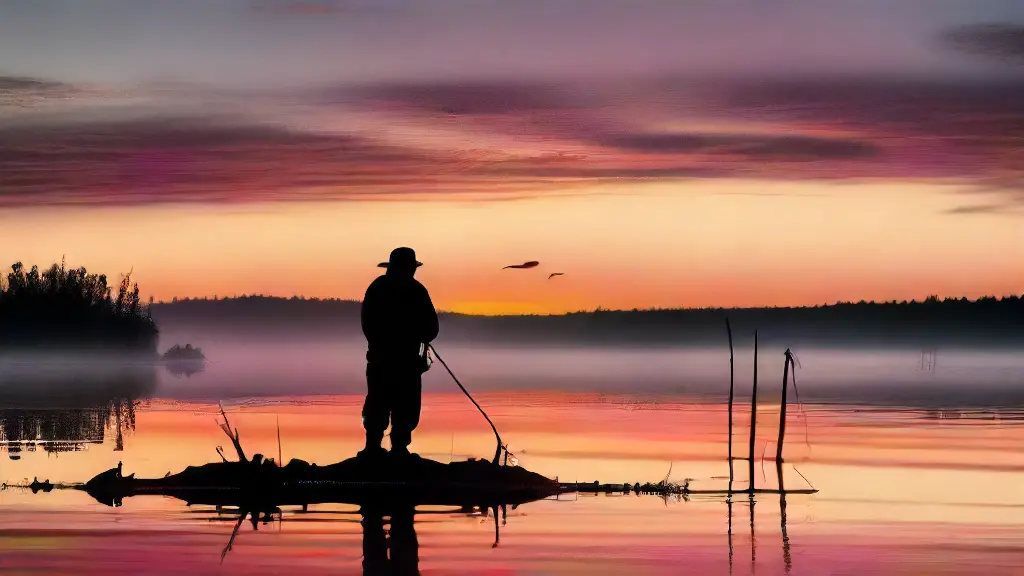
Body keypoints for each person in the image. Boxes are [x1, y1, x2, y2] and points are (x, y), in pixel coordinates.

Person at [359, 247, 439, 458]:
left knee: (398, 405)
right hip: (390, 361)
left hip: (396, 361)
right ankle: (381, 448)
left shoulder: (383, 289)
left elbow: (432, 328)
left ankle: (390, 449)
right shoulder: (411, 290)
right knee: (386, 404)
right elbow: (369, 325)